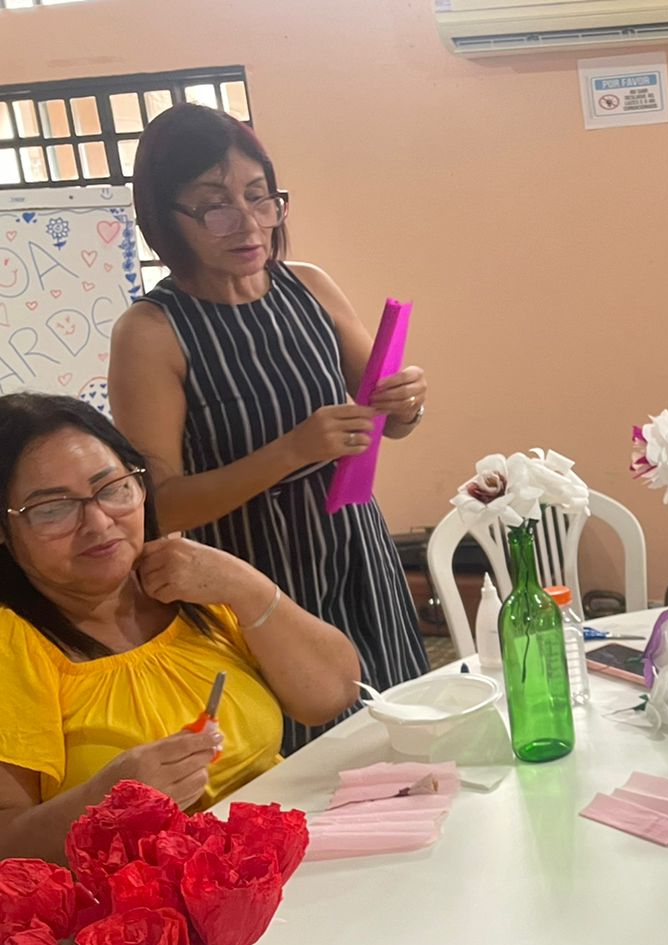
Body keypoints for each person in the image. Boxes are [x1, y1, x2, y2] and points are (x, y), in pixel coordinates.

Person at [108, 103, 427, 753]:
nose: (248, 222)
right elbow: (159, 505)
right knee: (299, 764)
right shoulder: (151, 332)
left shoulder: (309, 287)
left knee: (398, 735)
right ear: (165, 217)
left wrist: (408, 402)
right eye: (214, 205)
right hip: (253, 582)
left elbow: (387, 421)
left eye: (260, 196)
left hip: (356, 552)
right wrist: (290, 451)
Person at [0, 394, 359, 861]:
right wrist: (106, 803)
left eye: (113, 488)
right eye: (52, 510)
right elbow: (8, 846)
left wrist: (245, 587)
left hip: (285, 856)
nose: (99, 522)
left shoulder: (187, 584)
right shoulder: (15, 644)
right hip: (150, 916)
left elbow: (333, 695)